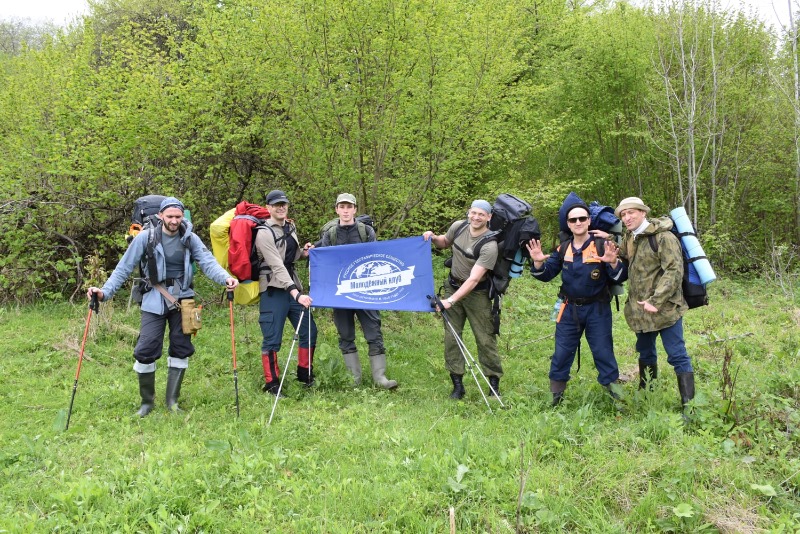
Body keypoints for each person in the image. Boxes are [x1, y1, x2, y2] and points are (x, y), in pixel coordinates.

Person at [87, 196, 238, 417]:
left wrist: (226, 278)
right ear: (161, 216)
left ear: (182, 216)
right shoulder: (146, 238)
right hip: (153, 300)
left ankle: (172, 402)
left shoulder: (190, 238)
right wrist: (104, 292)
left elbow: (207, 262)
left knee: (181, 348)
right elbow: (123, 268)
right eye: (170, 216)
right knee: (146, 349)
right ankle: (146, 404)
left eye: (178, 216)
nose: (174, 221)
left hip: (184, 301)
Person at [526, 200, 627, 406]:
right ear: (568, 224)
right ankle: (555, 399)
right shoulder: (563, 248)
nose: (578, 222)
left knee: (602, 351)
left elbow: (619, 277)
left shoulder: (602, 245)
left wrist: (614, 262)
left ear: (589, 221)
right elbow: (546, 274)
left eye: (582, 218)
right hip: (568, 309)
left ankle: (616, 398)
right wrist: (537, 262)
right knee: (562, 353)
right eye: (573, 219)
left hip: (597, 309)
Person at [614, 196, 695, 416]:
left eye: (631, 212)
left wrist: (656, 301)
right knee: (645, 352)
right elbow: (625, 259)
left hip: (666, 309)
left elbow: (674, 271)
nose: (627, 217)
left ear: (643, 212)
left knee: (677, 355)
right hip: (640, 312)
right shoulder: (630, 237)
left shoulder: (664, 237)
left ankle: (690, 406)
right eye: (623, 214)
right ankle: (647, 392)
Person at [315, 193, 398, 389]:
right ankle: (354, 379)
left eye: (349, 207)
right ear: (336, 209)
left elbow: (376, 258)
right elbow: (325, 262)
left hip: (366, 291)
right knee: (345, 334)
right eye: (341, 207)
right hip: (341, 293)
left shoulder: (366, 231)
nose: (345, 210)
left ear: (354, 209)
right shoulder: (330, 233)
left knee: (373, 332)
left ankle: (380, 378)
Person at [423, 200, 503, 399]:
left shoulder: (489, 245)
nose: (476, 217)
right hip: (452, 285)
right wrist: (432, 238)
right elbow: (444, 242)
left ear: (489, 217)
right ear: (469, 213)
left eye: (481, 215)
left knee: (485, 339)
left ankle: (493, 384)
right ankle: (457, 385)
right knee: (452, 337)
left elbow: (474, 278)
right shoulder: (458, 227)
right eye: (473, 213)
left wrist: (451, 300)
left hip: (477, 294)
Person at [255, 189, 318, 396]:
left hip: (292, 287)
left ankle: (304, 374)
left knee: (309, 330)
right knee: (272, 338)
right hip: (273, 290)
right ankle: (272, 384)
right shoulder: (263, 232)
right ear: (268, 208)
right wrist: (296, 294)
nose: (281, 207)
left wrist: (304, 252)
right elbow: (276, 265)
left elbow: (291, 256)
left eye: (283, 204)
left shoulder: (290, 227)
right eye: (276, 205)